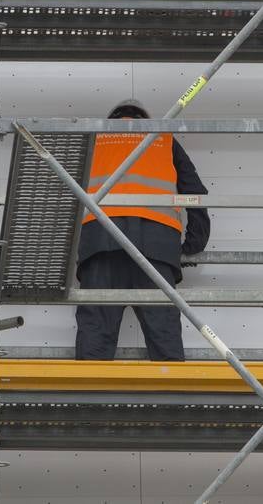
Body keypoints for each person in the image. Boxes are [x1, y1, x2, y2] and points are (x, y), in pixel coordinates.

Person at [75, 99, 211, 361]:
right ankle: (171, 385)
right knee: (163, 333)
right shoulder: (162, 139)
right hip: (157, 246)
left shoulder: (94, 139)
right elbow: (195, 191)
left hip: (101, 244)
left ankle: (89, 387)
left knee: (95, 333)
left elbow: (64, 194)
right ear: (145, 119)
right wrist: (193, 244)